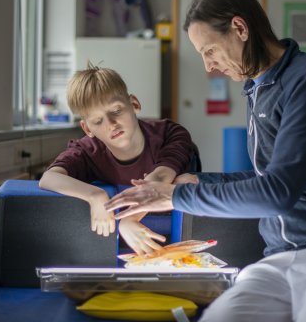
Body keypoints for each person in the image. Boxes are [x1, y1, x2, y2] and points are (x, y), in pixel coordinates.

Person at [104, 0, 306, 321]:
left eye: (209, 51)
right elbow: (266, 177)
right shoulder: (257, 89)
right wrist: (197, 181)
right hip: (281, 258)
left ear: (239, 28)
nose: (208, 67)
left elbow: (278, 192)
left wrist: (176, 196)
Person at [39, 63, 198, 255]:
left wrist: (129, 219)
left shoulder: (171, 133)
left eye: (116, 111)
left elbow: (161, 177)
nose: (111, 124)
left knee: (181, 182)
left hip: (184, 225)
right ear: (87, 129)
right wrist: (96, 196)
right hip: (129, 240)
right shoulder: (87, 150)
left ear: (134, 104)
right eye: (98, 121)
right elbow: (49, 178)